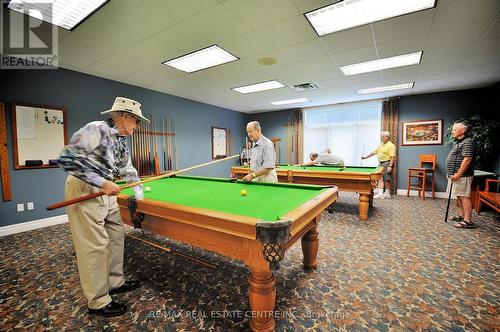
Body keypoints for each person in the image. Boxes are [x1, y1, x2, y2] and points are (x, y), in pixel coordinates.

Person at [57, 97, 149, 317]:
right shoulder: (96, 129)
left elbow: (127, 168)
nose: (137, 128)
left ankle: (115, 282)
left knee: (116, 235)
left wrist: (139, 192)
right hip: (85, 188)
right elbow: (67, 160)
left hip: (107, 190)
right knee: (93, 245)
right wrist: (102, 182)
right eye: (137, 122)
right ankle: (98, 300)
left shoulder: (121, 140)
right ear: (125, 117)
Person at [446, 122, 476, 228]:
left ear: (462, 131)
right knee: (459, 196)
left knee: (464, 196)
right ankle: (461, 216)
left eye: (454, 129)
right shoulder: (460, 142)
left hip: (463, 176)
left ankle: (468, 221)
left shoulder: (468, 141)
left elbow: (467, 159)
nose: (452, 131)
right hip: (456, 175)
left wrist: (458, 174)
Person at [361, 131, 396, 199]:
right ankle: (380, 193)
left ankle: (387, 193)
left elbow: (392, 157)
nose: (381, 138)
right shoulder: (381, 144)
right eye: (381, 136)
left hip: (387, 163)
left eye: (382, 136)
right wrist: (365, 157)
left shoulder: (391, 145)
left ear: (387, 137)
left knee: (386, 179)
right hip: (381, 163)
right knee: (380, 178)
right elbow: (374, 152)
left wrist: (390, 166)